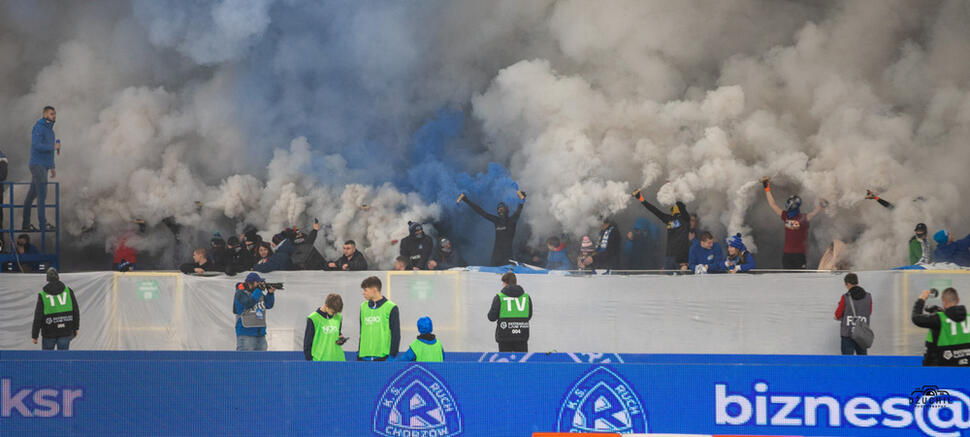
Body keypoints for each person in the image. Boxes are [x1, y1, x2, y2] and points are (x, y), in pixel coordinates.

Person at [761, 178, 827, 269]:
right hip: (788, 255)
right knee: (789, 279)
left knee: (799, 279)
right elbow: (773, 205)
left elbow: (814, 213)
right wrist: (767, 188)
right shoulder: (788, 216)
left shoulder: (801, 218)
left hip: (798, 255)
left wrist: (822, 204)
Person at [458, 191, 526, 266]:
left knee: (508, 274)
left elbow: (519, 210)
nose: (500, 211)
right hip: (496, 256)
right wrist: (466, 200)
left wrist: (522, 199)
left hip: (507, 256)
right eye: (499, 209)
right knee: (492, 275)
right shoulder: (496, 220)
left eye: (502, 209)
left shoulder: (512, 220)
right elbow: (481, 212)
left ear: (506, 210)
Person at [633, 189, 691, 271]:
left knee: (681, 281)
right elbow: (654, 210)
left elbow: (680, 205)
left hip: (681, 258)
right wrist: (641, 199)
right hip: (669, 256)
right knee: (668, 281)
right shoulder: (669, 219)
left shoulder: (685, 219)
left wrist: (674, 190)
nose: (673, 208)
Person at [22, 106, 59, 232]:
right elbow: (36, 145)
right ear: (45, 115)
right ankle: (43, 224)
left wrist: (52, 166)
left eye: (54, 113)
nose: (54, 115)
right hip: (37, 165)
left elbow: (50, 152)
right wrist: (53, 146)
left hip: (44, 166)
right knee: (41, 195)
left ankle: (26, 224)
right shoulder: (39, 127)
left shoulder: (51, 131)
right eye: (51, 113)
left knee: (32, 195)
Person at [912, 287, 969, 366]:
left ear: (944, 302)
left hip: (940, 371)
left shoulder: (938, 319)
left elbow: (916, 318)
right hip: (965, 372)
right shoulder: (968, 317)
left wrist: (922, 298)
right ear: (958, 300)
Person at [31, 268, 79, 350]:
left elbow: (38, 317)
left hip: (48, 332)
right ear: (58, 277)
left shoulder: (43, 295)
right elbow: (75, 311)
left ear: (47, 279)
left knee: (48, 360)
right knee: (62, 359)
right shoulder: (68, 291)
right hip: (65, 330)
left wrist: (35, 335)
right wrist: (76, 327)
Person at [487, 272, 533, 352]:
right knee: (521, 362)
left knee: (505, 362)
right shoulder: (526, 297)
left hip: (504, 336)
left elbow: (491, 317)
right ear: (515, 282)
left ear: (505, 283)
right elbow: (529, 315)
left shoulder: (500, 297)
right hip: (521, 336)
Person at [358, 276, 400, 361]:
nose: (363, 293)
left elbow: (396, 334)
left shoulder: (391, 307)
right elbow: (362, 331)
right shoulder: (363, 307)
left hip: (383, 358)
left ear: (374, 289)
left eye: (365, 290)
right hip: (363, 358)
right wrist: (359, 352)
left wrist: (392, 355)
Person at [233, 273, 276, 351]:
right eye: (258, 282)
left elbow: (268, 305)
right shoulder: (240, 293)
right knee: (245, 361)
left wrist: (270, 293)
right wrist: (258, 290)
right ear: (250, 283)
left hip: (260, 334)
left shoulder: (258, 293)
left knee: (262, 361)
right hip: (246, 334)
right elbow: (248, 303)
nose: (260, 285)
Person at [833, 273, 872, 355]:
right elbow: (869, 312)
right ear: (857, 282)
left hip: (847, 334)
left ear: (847, 284)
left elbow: (837, 315)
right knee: (862, 361)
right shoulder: (868, 297)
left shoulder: (845, 297)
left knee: (847, 362)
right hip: (862, 334)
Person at [303, 293, 348, 361]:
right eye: (333, 312)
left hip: (338, 359)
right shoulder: (313, 318)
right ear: (326, 306)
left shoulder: (339, 317)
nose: (335, 314)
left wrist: (341, 338)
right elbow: (307, 343)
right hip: (319, 361)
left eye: (336, 312)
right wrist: (310, 362)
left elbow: (337, 333)